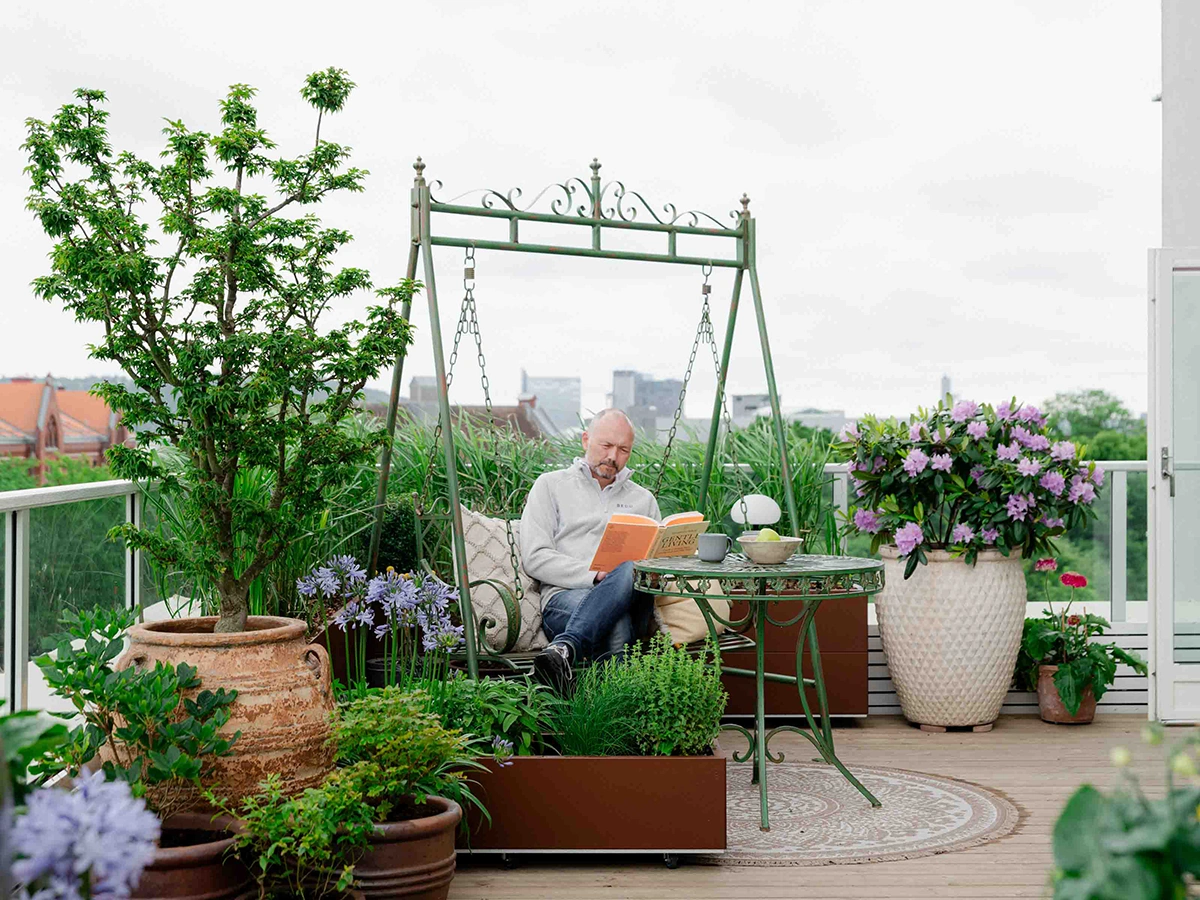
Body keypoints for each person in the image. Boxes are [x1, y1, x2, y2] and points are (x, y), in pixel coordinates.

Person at [520, 408, 660, 692]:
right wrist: (594, 575)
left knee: (633, 568)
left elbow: (656, 562)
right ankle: (619, 724)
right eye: (606, 445)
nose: (613, 456)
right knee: (616, 623)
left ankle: (565, 650)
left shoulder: (643, 500)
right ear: (586, 440)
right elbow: (534, 557)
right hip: (565, 600)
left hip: (634, 603)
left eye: (623, 449)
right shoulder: (551, 486)